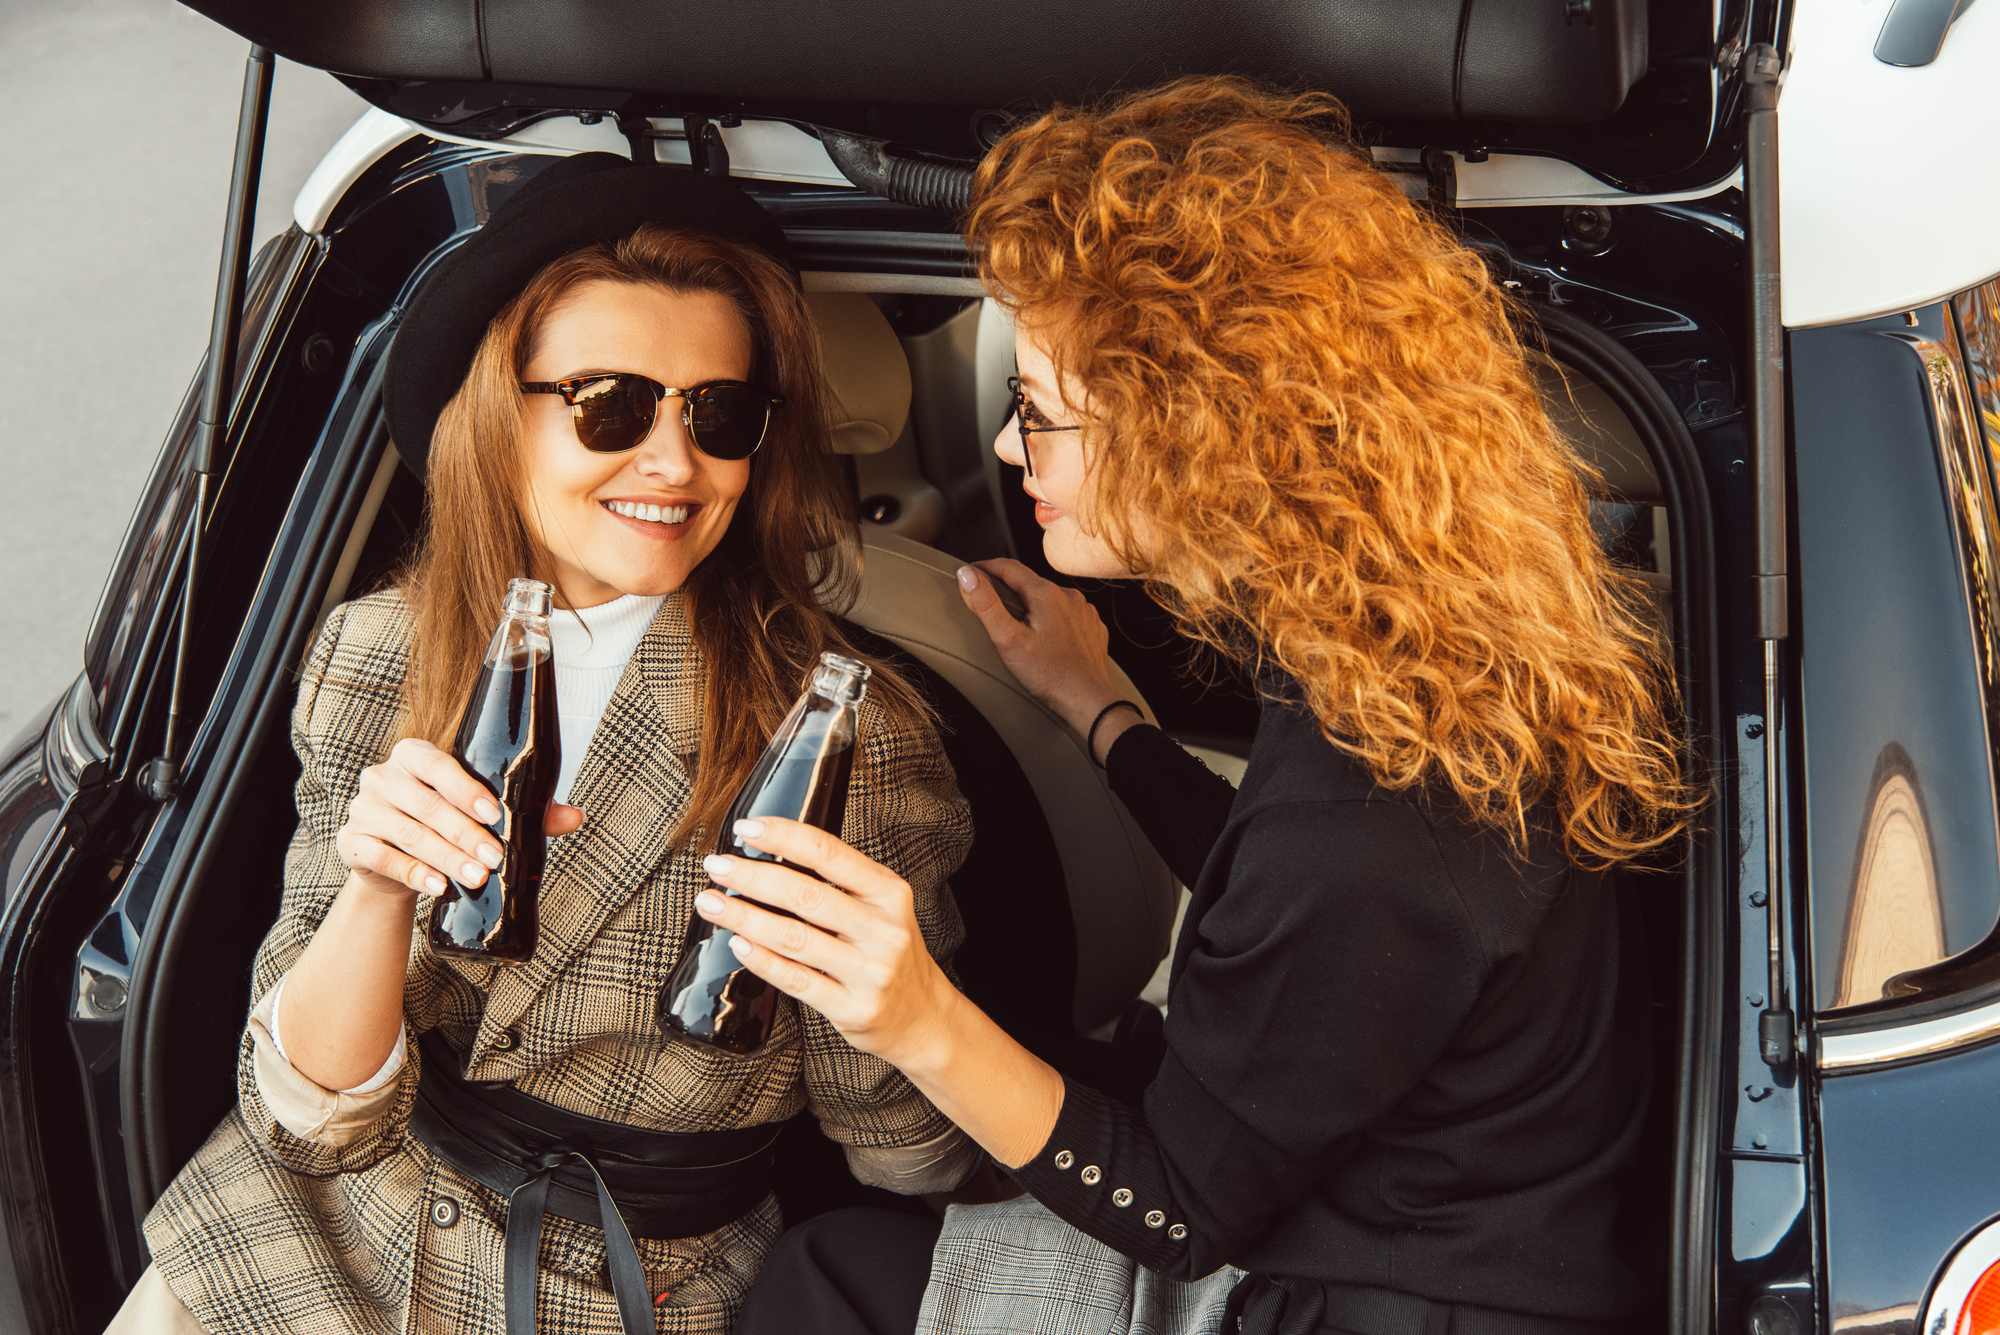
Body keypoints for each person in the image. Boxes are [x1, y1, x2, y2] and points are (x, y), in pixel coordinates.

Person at [714, 78, 1696, 1335]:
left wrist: (911, 1014)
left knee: (825, 1278)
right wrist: (1101, 710)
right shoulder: (1407, 642)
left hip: (1376, 1299)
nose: (1013, 454)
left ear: (1201, 438)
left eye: (1040, 414)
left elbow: (1177, 1207)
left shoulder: (1372, 817)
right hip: (1470, 1222)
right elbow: (1294, 920)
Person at [109, 155, 979, 1335]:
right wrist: (374, 889)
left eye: (716, 415)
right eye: (610, 405)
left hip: (620, 1289)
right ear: (496, 414)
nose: (672, 462)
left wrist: (898, 1005)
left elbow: (909, 1165)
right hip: (294, 1244)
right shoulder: (376, 653)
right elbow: (306, 1122)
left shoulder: (846, 735)